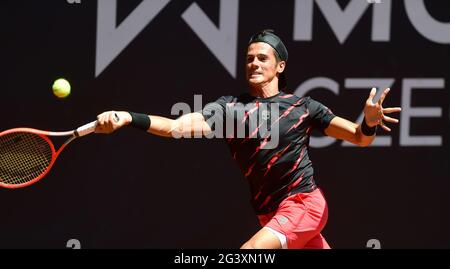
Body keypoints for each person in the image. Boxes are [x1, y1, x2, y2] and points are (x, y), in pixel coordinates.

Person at [95, 29, 401, 249]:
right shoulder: (230, 109)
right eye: (249, 58)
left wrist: (369, 123)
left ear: (280, 66)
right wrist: (128, 116)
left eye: (262, 58)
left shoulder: (304, 108)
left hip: (303, 204)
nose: (254, 63)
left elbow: (361, 139)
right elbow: (176, 126)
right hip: (270, 213)